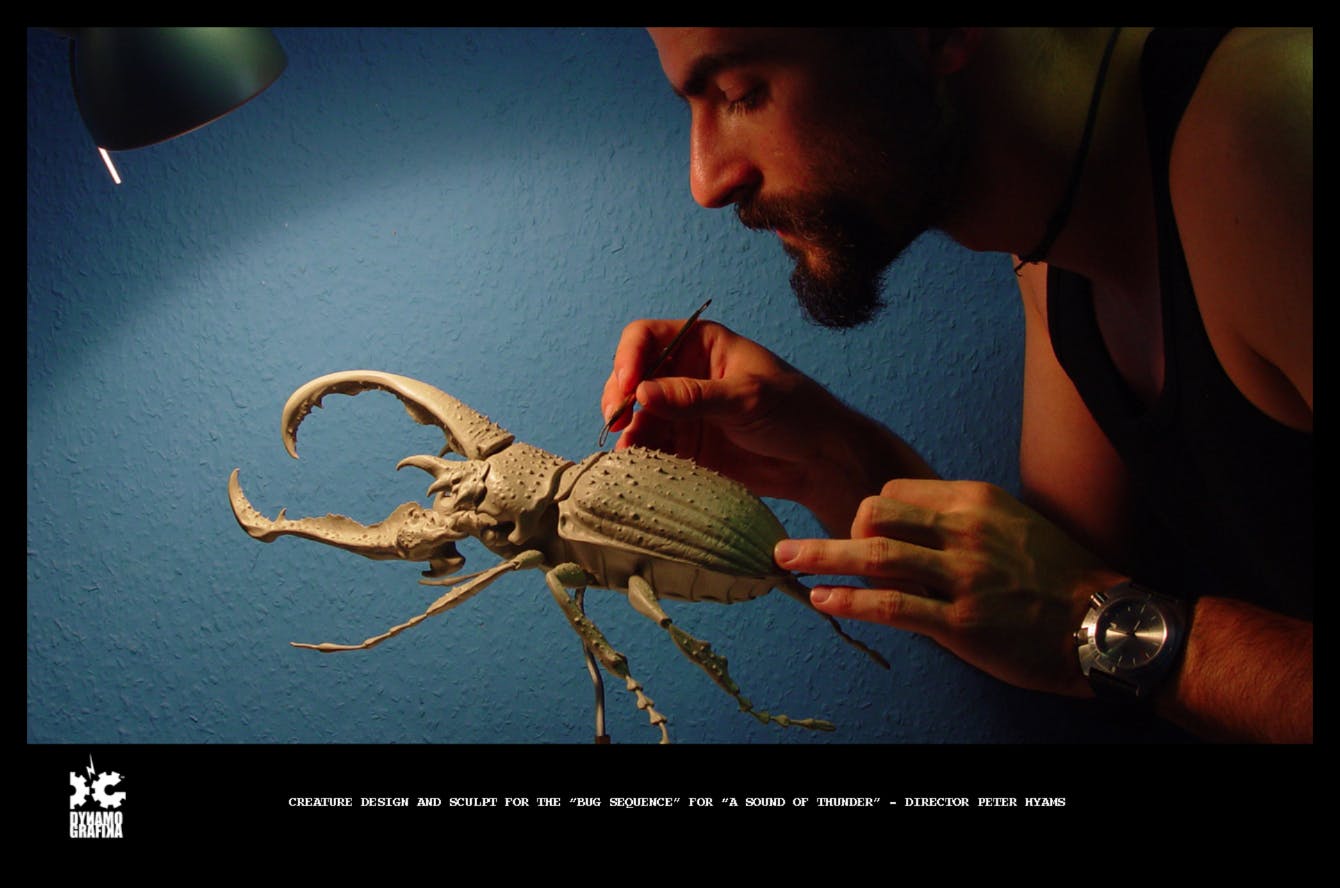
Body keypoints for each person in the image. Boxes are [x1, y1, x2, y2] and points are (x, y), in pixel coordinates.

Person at [600, 28, 1312, 743]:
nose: (706, 181)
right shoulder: (1053, 240)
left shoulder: (1268, 134)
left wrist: (1105, 628)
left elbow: (1084, 615)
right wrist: (825, 456)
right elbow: (1047, 598)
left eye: (741, 93)